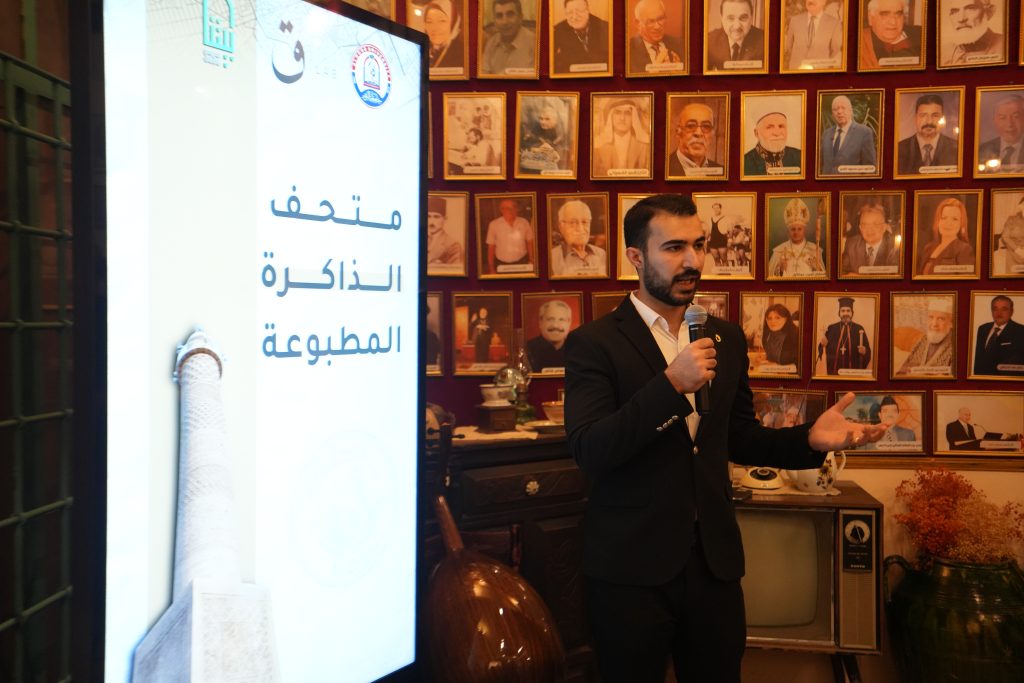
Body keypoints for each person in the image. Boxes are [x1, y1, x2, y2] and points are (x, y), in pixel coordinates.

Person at [564, 193, 881, 682]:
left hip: (714, 566)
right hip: (630, 571)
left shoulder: (725, 337)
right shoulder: (594, 343)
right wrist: (671, 385)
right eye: (674, 248)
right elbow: (592, 450)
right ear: (635, 257)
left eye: (699, 245)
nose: (692, 260)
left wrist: (808, 441)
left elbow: (739, 437)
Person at [897, 93, 959, 174]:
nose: (929, 121)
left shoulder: (956, 149)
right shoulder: (899, 149)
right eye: (923, 115)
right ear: (915, 118)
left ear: (942, 118)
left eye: (935, 115)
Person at [819, 95, 877, 175]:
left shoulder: (864, 132)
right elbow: (820, 165)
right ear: (832, 114)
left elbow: (870, 169)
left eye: (843, 108)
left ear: (851, 111)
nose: (839, 112)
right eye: (835, 109)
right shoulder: (826, 134)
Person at [767, 198, 825, 277]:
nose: (796, 232)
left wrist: (817, 270)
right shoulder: (779, 251)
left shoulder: (815, 250)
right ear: (788, 231)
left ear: (804, 230)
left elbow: (823, 277)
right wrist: (780, 270)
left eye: (799, 229)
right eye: (793, 229)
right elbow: (769, 276)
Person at [592, 99, 651, 176]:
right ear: (610, 117)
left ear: (633, 117)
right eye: (617, 112)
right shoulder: (598, 146)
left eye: (627, 113)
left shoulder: (645, 146)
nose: (622, 118)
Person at [895, 298, 954, 375]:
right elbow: (906, 366)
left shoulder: (955, 345)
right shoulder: (924, 339)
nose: (934, 324)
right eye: (931, 317)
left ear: (951, 323)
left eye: (941, 319)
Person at [918, 197, 975, 275]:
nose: (948, 223)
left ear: (961, 224)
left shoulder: (964, 250)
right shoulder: (928, 248)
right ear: (938, 221)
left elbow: (965, 280)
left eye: (954, 219)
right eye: (944, 218)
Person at [550, 199, 608, 276]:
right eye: (573, 222)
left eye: (585, 222)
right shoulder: (551, 257)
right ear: (561, 227)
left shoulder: (602, 254)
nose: (580, 228)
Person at [859, 0, 922, 68]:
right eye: (885, 14)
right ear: (870, 18)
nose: (893, 22)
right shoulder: (860, 41)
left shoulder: (921, 33)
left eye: (898, 14)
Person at [841, 200, 899, 274]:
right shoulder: (851, 244)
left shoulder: (894, 247)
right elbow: (842, 271)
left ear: (884, 227)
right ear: (860, 228)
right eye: (865, 224)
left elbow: (896, 275)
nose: (869, 229)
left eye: (875, 224)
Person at [939, 0, 1004, 66]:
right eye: (954, 11)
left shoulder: (1005, 46)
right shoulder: (942, 52)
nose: (961, 19)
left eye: (971, 9)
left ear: (989, 12)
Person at [817, 296, 872, 374]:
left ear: (852, 313)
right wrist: (822, 345)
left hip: (853, 373)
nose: (845, 313)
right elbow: (821, 348)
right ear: (839, 313)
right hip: (834, 372)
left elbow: (868, 351)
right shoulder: (832, 328)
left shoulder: (859, 329)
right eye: (843, 311)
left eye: (848, 311)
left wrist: (865, 351)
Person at [480, 0, 537, 75]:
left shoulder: (535, 43)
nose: (505, 22)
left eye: (510, 14)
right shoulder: (491, 43)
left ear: (520, 17)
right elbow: (484, 75)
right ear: (494, 21)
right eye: (499, 16)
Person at [552, 0, 610, 73]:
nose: (575, 17)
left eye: (579, 11)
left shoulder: (605, 27)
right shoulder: (558, 30)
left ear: (587, 11)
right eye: (569, 12)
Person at [706, 0, 765, 70]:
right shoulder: (709, 41)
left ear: (751, 18)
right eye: (730, 18)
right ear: (722, 18)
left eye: (743, 18)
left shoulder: (765, 42)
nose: (737, 26)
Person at [668, 102, 724, 176]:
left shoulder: (722, 172)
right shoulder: (664, 168)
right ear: (678, 132)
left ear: (712, 134)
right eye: (691, 126)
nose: (698, 133)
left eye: (706, 126)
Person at [627, 0, 684, 73]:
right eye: (650, 21)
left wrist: (679, 73)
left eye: (660, 19)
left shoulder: (680, 45)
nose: (657, 27)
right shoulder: (628, 50)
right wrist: (653, 73)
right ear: (637, 23)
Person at [973, 295, 1024, 376]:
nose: (999, 313)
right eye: (995, 309)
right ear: (991, 311)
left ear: (1011, 311)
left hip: (1005, 380)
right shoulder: (982, 329)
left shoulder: (1020, 331)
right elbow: (978, 359)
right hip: (981, 379)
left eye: (1004, 309)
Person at [784, 0, 843, 70]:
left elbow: (835, 50)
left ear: (824, 2)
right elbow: (789, 46)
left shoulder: (834, 23)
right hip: (796, 70)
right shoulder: (794, 20)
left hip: (820, 71)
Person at [743, 111, 801, 176]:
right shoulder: (744, 162)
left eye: (781, 126)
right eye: (769, 127)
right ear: (756, 133)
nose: (777, 133)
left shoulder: (800, 157)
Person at [486, 198, 535, 274]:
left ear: (517, 209)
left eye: (513, 207)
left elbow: (529, 241)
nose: (510, 210)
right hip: (502, 264)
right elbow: (491, 248)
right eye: (506, 208)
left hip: (522, 261)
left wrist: (531, 259)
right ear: (501, 210)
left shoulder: (524, 222)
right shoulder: (493, 225)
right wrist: (491, 268)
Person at [977, 95, 1024, 173]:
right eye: (1003, 118)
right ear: (995, 120)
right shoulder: (982, 150)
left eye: (1016, 117)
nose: (1009, 124)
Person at [518, 102, 569, 173]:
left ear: (555, 120)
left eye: (547, 119)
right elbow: (523, 144)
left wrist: (553, 150)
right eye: (541, 118)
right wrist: (534, 149)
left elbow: (564, 150)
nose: (543, 122)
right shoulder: (537, 127)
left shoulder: (562, 132)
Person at [526, 300, 572, 371]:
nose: (555, 325)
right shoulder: (526, 350)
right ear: (540, 322)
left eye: (561, 320)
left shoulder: (578, 350)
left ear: (569, 323)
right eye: (550, 319)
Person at [423, 0, 464, 69]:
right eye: (429, 22)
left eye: (442, 21)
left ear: (453, 24)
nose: (435, 28)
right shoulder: (422, 50)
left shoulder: (461, 53)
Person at [426, 195, 464, 267]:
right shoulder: (418, 239)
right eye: (428, 216)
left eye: (436, 217)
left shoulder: (453, 245)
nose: (431, 221)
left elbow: (456, 270)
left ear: (445, 219)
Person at [996, 195, 1024, 274]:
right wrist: (1018, 250)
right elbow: (1005, 237)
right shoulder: (1012, 219)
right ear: (1020, 206)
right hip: (1014, 253)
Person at [705, 202, 730, 267]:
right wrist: (705, 240)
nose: (716, 209)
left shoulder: (725, 218)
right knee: (716, 259)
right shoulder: (710, 219)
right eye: (714, 208)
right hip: (713, 241)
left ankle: (726, 273)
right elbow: (708, 231)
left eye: (717, 208)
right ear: (713, 209)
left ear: (720, 208)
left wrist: (730, 240)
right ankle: (719, 273)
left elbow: (730, 229)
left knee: (724, 259)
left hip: (722, 240)